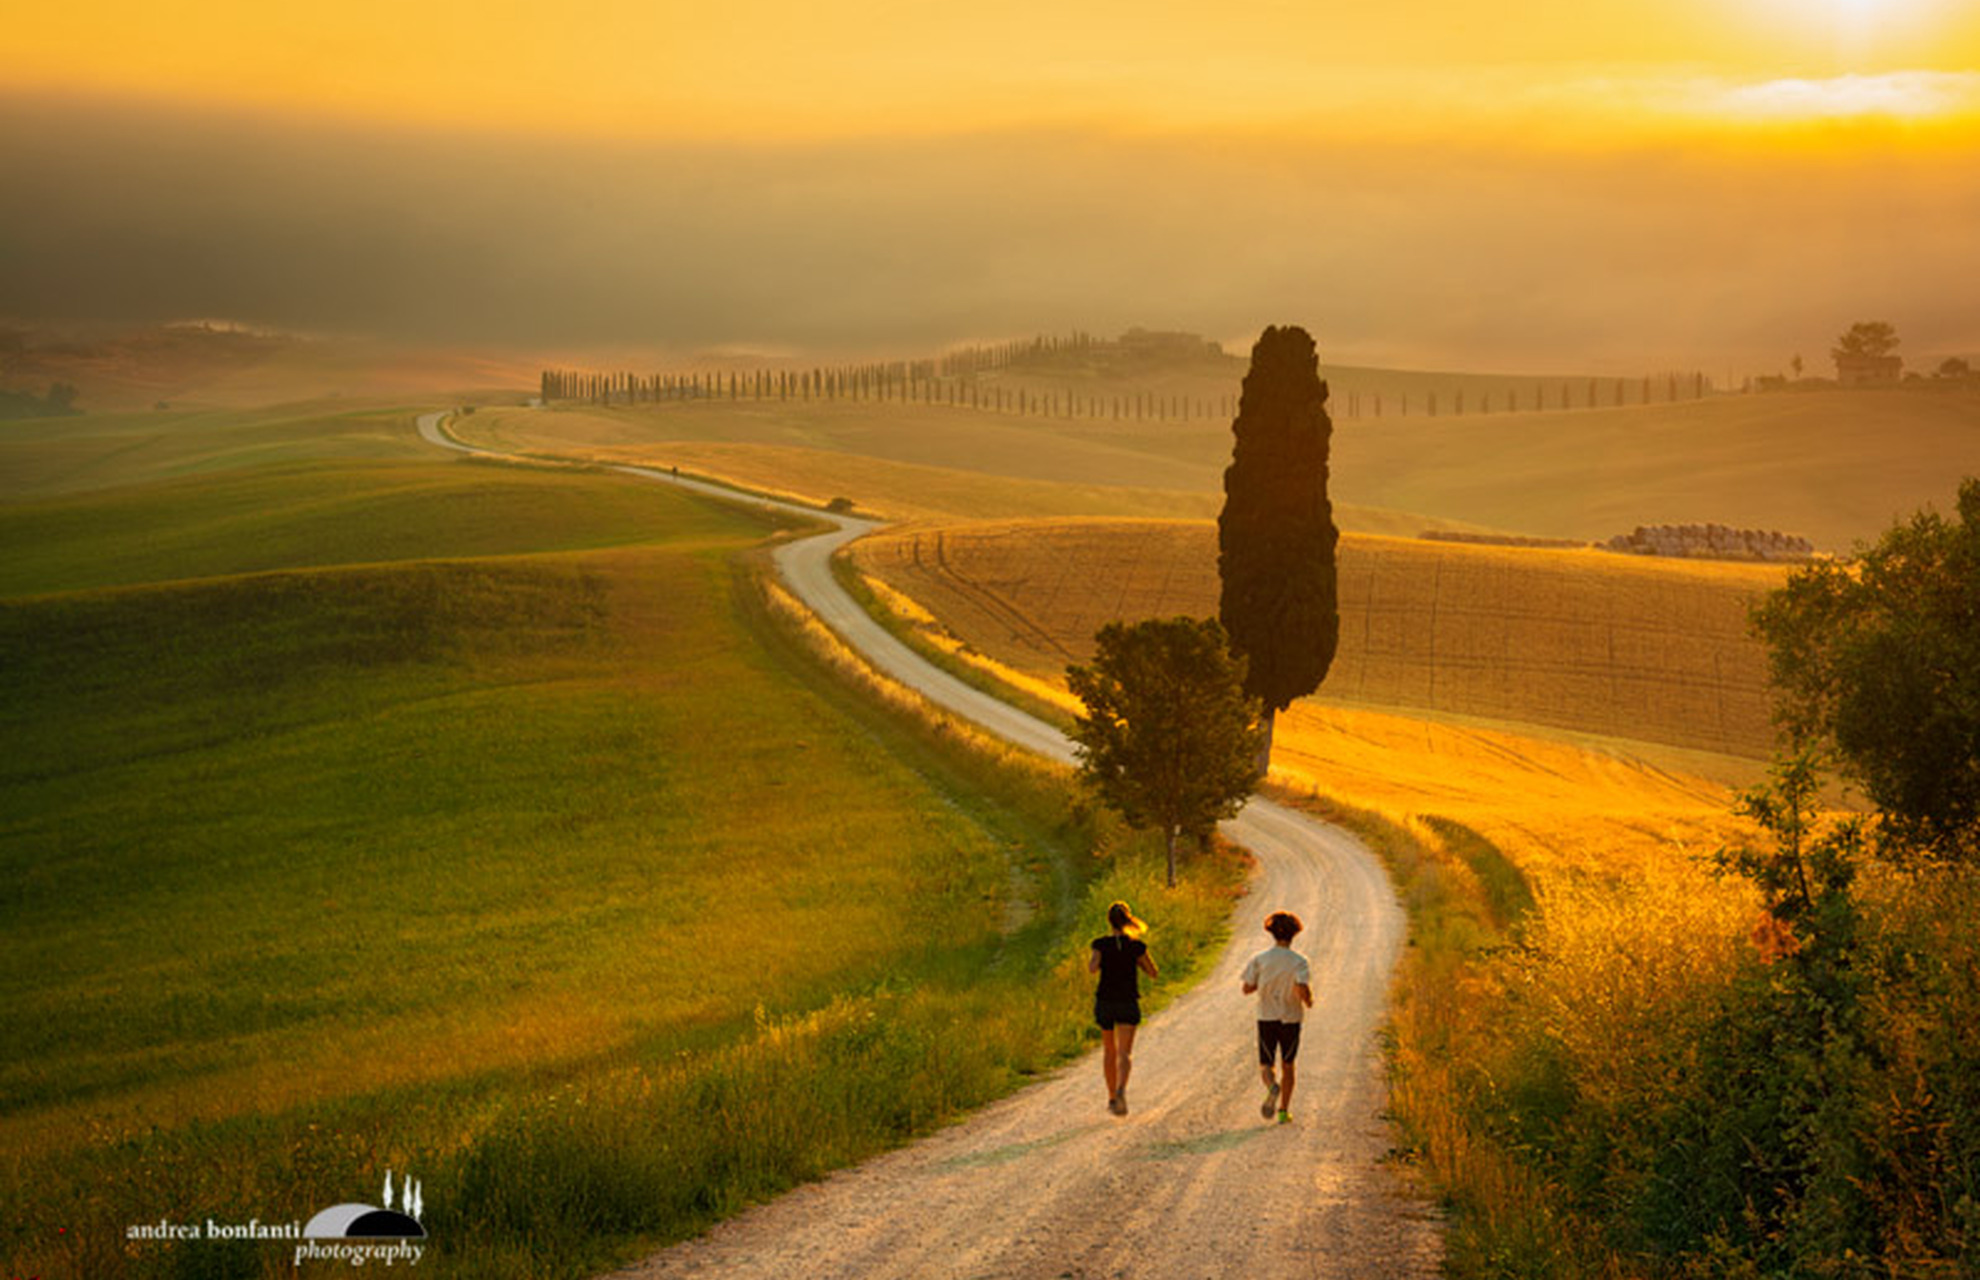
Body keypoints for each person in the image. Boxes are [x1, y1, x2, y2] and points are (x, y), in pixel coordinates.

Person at [1241, 910, 1313, 1124]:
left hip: (1266, 1017)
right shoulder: (1299, 961)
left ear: (1271, 932)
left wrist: (1263, 984)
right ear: (1294, 934)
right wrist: (1308, 1001)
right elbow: (1301, 987)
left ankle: (1272, 1087)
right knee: (1288, 1064)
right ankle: (1283, 1111)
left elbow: (1247, 988)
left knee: (1266, 1064)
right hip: (1291, 1018)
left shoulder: (1260, 959)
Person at [1089, 900, 1159, 1116]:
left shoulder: (1100, 944)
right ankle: (1121, 1089)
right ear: (1127, 919)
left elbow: (1092, 968)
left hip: (1106, 1001)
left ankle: (1111, 1098)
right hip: (1128, 1001)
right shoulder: (1136, 946)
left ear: (1109, 921)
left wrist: (1102, 960)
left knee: (1109, 1051)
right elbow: (1153, 972)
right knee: (1124, 1053)